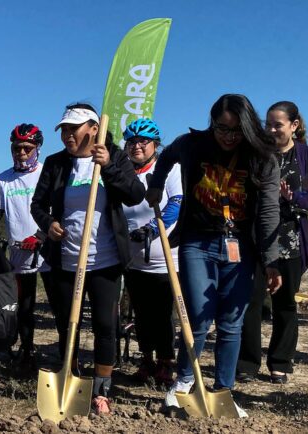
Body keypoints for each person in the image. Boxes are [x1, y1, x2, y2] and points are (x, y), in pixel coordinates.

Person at [147, 94, 282, 418]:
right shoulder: (193, 144)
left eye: (235, 131)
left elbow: (267, 213)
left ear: (247, 129)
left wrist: (271, 260)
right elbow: (165, 158)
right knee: (197, 317)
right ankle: (182, 384)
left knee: (231, 322)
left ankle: (223, 391)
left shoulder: (262, 156)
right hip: (198, 241)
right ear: (212, 122)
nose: (227, 137)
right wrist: (156, 185)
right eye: (222, 128)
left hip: (240, 245)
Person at [30, 104, 145, 415]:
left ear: (94, 129)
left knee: (106, 325)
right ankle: (71, 378)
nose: (67, 135)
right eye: (64, 130)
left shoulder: (115, 156)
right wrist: (48, 223)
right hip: (65, 259)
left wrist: (108, 166)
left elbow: (135, 194)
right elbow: (37, 204)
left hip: (105, 260)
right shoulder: (55, 164)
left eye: (74, 129)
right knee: (69, 324)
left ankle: (101, 390)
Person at [237, 102, 308, 384]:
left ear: (294, 125)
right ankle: (247, 362)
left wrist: (293, 198)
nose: (271, 130)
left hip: (291, 240)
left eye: (277, 125)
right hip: (257, 238)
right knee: (251, 301)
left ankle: (280, 361)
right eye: (267, 124)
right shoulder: (258, 154)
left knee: (285, 304)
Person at [118, 118, 182, 387]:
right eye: (132, 142)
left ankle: (166, 362)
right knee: (141, 313)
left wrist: (154, 229)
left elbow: (178, 202)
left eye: (143, 142)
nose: (137, 147)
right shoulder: (123, 171)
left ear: (155, 144)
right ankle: (146, 359)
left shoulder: (169, 168)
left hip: (165, 255)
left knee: (164, 314)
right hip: (133, 257)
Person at [0, 123, 50, 370]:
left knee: (59, 306)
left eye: (27, 148)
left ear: (37, 148)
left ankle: (69, 357)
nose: (22, 153)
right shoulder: (3, 180)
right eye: (17, 148)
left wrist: (42, 234)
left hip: (48, 249)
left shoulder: (47, 172)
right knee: (23, 306)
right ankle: (26, 350)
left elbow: (59, 209)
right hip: (18, 252)